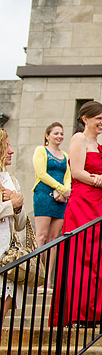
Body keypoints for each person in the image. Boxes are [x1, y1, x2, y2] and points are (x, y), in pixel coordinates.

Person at [53, 101, 102, 326]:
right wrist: (101, 182)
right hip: (83, 203)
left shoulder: (99, 145)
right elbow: (77, 172)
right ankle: (77, 312)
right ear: (85, 119)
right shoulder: (78, 139)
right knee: (81, 254)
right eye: (98, 119)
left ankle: (99, 311)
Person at [0, 129, 28, 324]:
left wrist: (17, 205)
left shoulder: (12, 180)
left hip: (7, 259)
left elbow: (20, 225)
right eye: (6, 145)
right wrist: (12, 204)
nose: (11, 151)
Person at [32, 122, 71, 247]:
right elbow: (41, 174)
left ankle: (49, 267)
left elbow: (68, 176)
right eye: (56, 133)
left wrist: (66, 192)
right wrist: (61, 189)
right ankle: (38, 266)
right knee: (41, 236)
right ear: (47, 136)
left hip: (60, 199)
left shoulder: (65, 155)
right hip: (44, 195)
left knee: (54, 238)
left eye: (61, 134)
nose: (59, 136)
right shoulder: (41, 150)